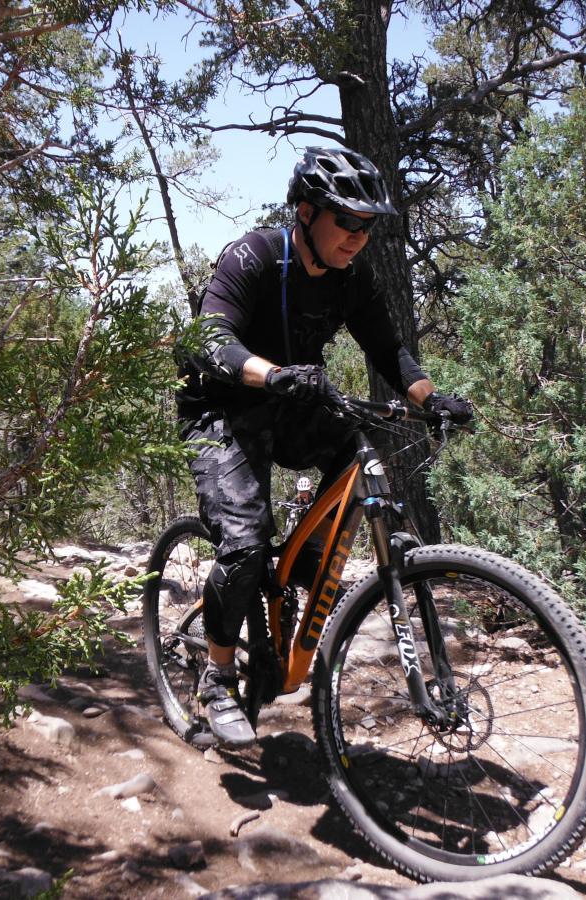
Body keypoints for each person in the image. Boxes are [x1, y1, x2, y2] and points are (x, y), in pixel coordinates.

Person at [177, 146, 472, 747]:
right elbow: (210, 338)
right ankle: (217, 676)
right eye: (350, 221)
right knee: (243, 543)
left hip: (291, 400)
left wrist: (430, 398)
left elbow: (389, 351)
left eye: (370, 225)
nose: (361, 237)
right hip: (221, 408)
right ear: (307, 213)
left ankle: (298, 563)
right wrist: (274, 373)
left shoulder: (352, 278)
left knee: (354, 457)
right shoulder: (254, 256)